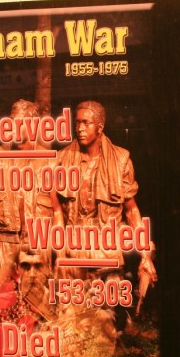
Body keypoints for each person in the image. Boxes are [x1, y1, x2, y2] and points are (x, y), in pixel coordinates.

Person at [54, 100, 156, 286]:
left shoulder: (120, 160)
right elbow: (56, 210)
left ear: (100, 127)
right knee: (68, 314)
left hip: (106, 253)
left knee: (105, 315)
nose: (80, 128)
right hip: (72, 252)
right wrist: (59, 252)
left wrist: (145, 255)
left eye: (87, 123)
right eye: (77, 122)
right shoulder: (62, 159)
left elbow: (131, 210)